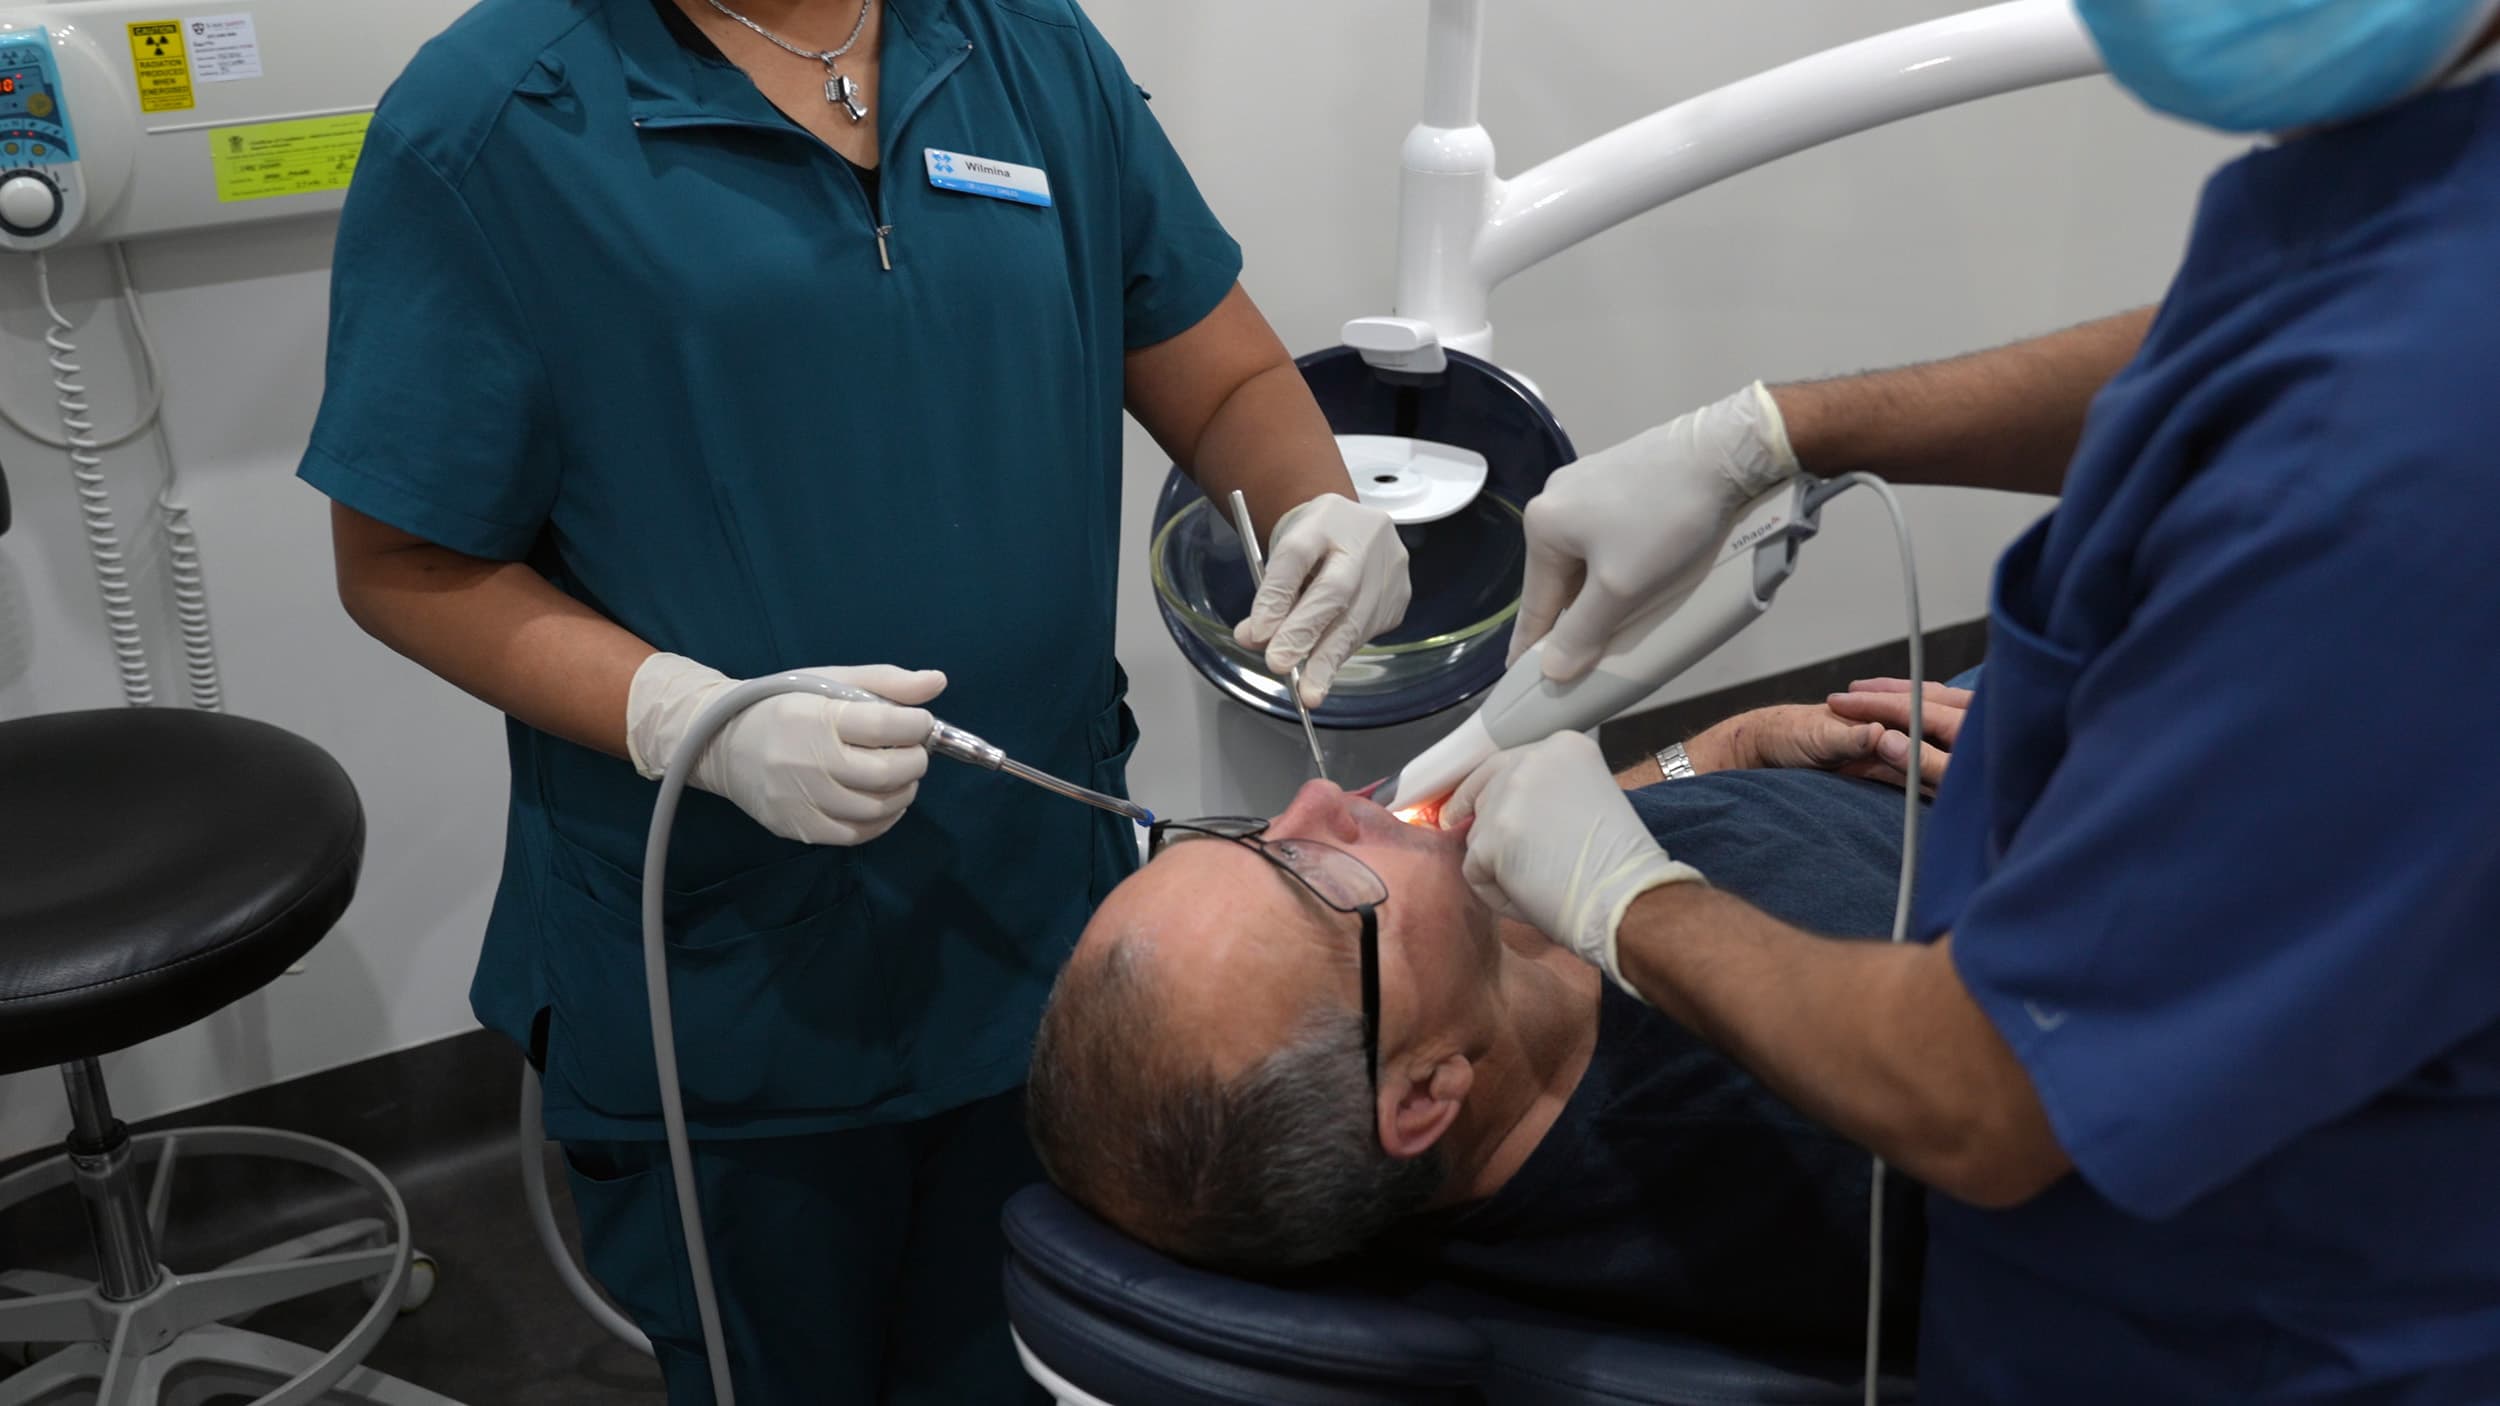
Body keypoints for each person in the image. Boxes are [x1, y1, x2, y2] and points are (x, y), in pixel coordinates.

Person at [299, 0, 1409, 1399]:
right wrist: (685, 716)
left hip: (1037, 938)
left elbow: (1229, 365)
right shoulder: (498, 122)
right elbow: (403, 561)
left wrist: (1316, 500)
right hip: (739, 983)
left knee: (1019, 1356)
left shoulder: (1019, 51)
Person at [1460, 3, 2500, 1400]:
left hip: (2259, 1328)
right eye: (1296, 866)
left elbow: (1983, 1092)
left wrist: (1625, 896)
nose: (1305, 805)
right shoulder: (2419, 227)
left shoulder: (2392, 468)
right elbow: (2279, 334)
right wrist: (1781, 434)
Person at [1027, 707, 1930, 1362]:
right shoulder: (1803, 1145)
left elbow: (1576, 849)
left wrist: (1727, 751)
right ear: (1424, 1095)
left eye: (1256, 836)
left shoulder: (1466, 967)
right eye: (1312, 873)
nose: (1315, 797)